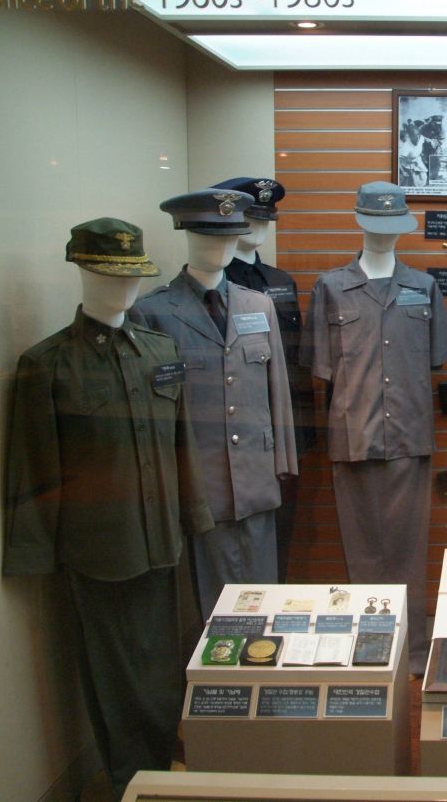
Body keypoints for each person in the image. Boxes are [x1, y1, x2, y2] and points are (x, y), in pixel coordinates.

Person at [4, 219, 214, 799]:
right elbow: (34, 467)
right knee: (112, 678)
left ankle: (159, 772)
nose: (122, 288)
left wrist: (193, 515)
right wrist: (35, 553)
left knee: (166, 665)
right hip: (99, 550)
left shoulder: (161, 352)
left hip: (161, 542)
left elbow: (182, 445)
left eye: (129, 276)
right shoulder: (48, 364)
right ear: (80, 271)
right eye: (106, 274)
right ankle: (129, 781)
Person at [302, 182, 447, 675]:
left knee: (409, 550)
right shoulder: (329, 289)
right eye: (376, 224)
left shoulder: (424, 288)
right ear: (359, 222)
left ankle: (411, 652)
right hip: (354, 436)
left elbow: (435, 357)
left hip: (409, 435)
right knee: (362, 551)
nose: (385, 236)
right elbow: (321, 368)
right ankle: (369, 651)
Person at [131, 189, 297, 621]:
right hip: (198, 485)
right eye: (209, 236)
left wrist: (282, 462)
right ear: (187, 234)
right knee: (208, 609)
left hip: (256, 482)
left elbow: (276, 389)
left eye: (228, 236)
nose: (221, 247)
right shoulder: (153, 313)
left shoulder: (258, 305)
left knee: (265, 605)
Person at [211, 177, 315, 583]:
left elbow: (296, 363)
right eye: (251, 218)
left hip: (284, 430)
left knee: (279, 540)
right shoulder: (218, 287)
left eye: (264, 219)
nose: (259, 227)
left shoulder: (280, 281)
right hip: (234, 432)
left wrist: (302, 433)